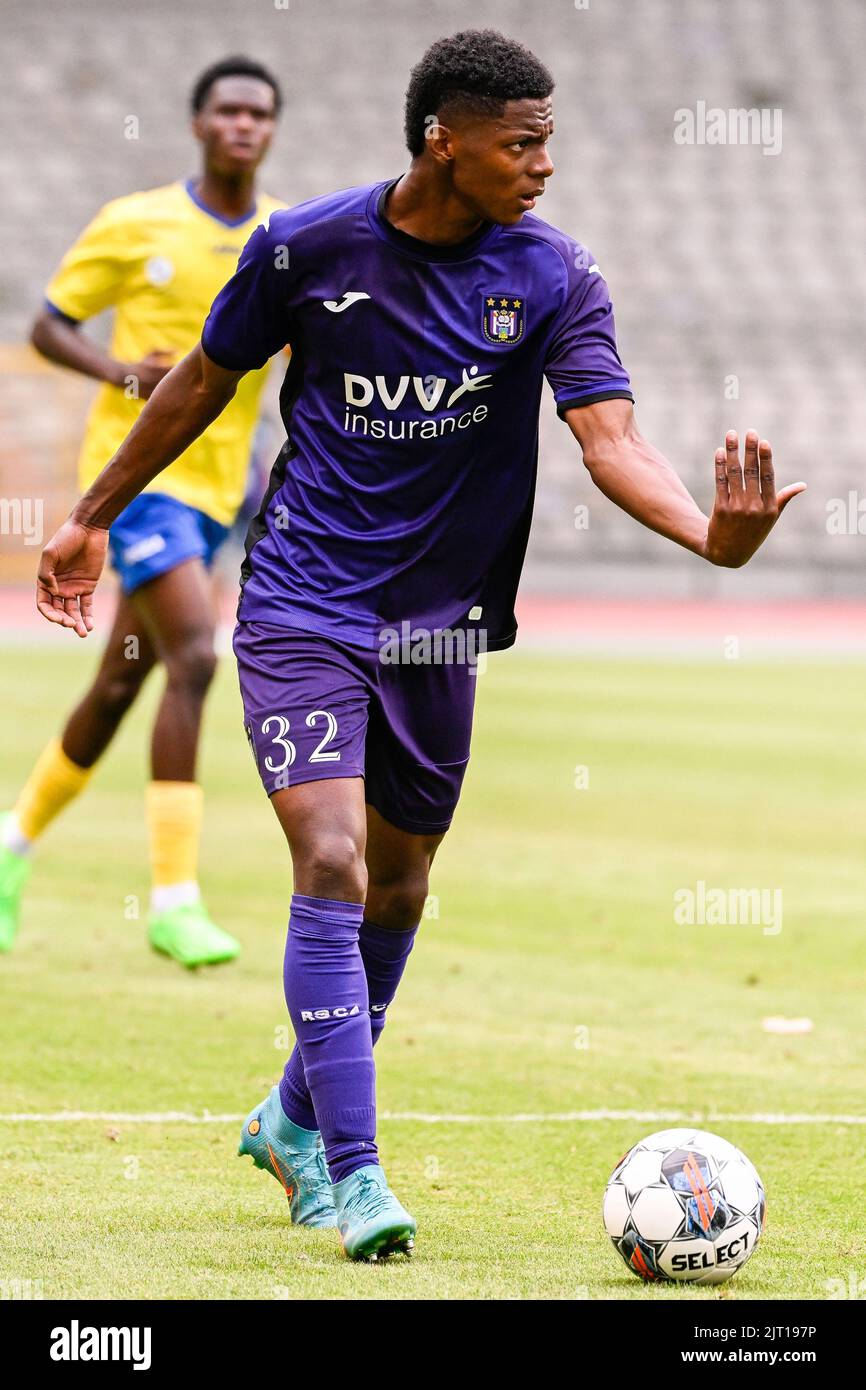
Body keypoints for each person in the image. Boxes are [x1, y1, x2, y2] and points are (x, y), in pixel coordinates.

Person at [33, 30, 805, 1258]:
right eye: (522, 142)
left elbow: (608, 439)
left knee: (400, 883)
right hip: (302, 600)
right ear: (443, 140)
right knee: (330, 859)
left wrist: (705, 539)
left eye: (547, 139)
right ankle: (352, 1174)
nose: (544, 163)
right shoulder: (306, 248)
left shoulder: (553, 272)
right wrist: (89, 516)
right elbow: (198, 382)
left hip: (439, 631)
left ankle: (291, 1114)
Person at [1, 56, 284, 967]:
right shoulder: (135, 223)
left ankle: (9, 850)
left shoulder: (285, 239)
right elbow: (50, 323)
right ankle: (172, 900)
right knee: (198, 657)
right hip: (137, 482)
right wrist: (122, 373)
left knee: (122, 682)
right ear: (198, 123)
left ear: (271, 131)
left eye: (259, 115)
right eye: (228, 111)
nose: (243, 126)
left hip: (219, 491)